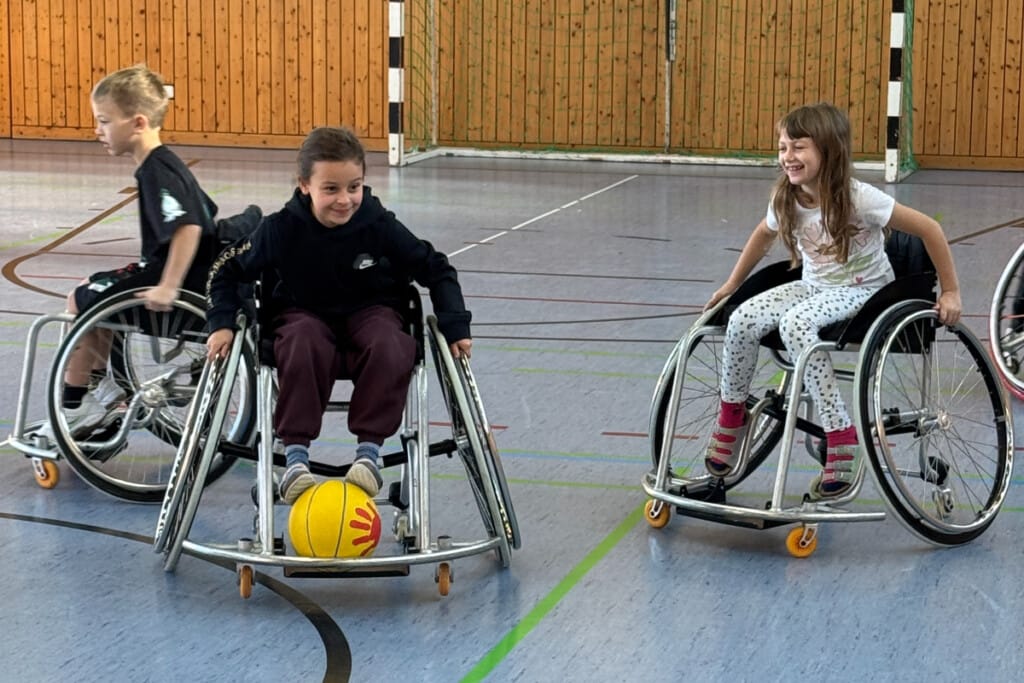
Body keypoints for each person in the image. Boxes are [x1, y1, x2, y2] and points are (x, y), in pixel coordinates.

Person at [703, 102, 962, 498]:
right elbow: (762, 235)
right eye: (782, 147)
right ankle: (732, 416)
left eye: (799, 147)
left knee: (795, 324)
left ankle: (840, 430)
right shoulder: (786, 199)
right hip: (814, 287)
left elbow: (929, 229)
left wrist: (950, 290)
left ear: (829, 150)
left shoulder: (860, 199)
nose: (788, 156)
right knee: (742, 318)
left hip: (867, 291)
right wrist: (731, 284)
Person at [205, 126, 472, 503]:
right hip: (304, 315)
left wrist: (454, 323)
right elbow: (225, 269)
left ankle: (369, 456)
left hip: (372, 313)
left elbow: (437, 267)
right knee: (301, 341)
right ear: (304, 185)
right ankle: (296, 459)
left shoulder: (378, 224)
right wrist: (221, 323)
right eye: (331, 189)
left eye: (354, 187)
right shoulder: (280, 229)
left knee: (392, 343)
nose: (344, 200)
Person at [40, 64, 220, 439]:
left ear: (137, 122)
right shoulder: (165, 164)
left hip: (180, 284)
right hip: (188, 275)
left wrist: (169, 286)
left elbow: (189, 226)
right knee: (96, 287)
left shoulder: (157, 170)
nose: (97, 130)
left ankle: (78, 404)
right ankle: (100, 388)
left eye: (104, 121)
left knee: (81, 297)